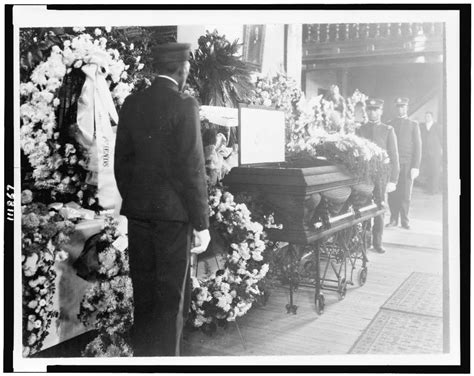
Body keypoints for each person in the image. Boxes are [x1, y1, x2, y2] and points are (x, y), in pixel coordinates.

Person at [114, 43, 211, 356]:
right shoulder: (185, 105)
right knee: (170, 302)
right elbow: (193, 168)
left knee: (144, 298)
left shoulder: (131, 103)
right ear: (182, 69)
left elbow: (121, 164)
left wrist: (137, 199)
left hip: (139, 214)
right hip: (173, 218)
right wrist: (201, 223)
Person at [356, 99, 400, 254]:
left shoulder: (388, 130)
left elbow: (394, 156)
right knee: (364, 207)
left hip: (381, 176)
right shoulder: (360, 129)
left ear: (381, 111)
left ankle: (377, 242)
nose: (372, 112)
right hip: (365, 176)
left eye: (375, 110)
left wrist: (393, 179)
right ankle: (365, 240)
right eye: (369, 110)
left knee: (380, 207)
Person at [386, 97, 422, 230]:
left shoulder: (413, 124)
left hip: (407, 164)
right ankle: (393, 219)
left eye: (403, 107)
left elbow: (418, 147)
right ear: (396, 108)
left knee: (405, 193)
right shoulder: (390, 124)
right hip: (393, 165)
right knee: (392, 193)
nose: (400, 109)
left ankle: (405, 220)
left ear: (406, 108)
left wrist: (415, 166)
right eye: (398, 107)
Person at [420, 111, 442, 194]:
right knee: (428, 171)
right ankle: (429, 189)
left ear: (432, 117)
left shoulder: (437, 127)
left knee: (435, 171)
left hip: (435, 153)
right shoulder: (423, 127)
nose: (427, 118)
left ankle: (434, 190)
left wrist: (441, 150)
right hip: (426, 153)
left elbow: (442, 139)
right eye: (426, 116)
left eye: (428, 116)